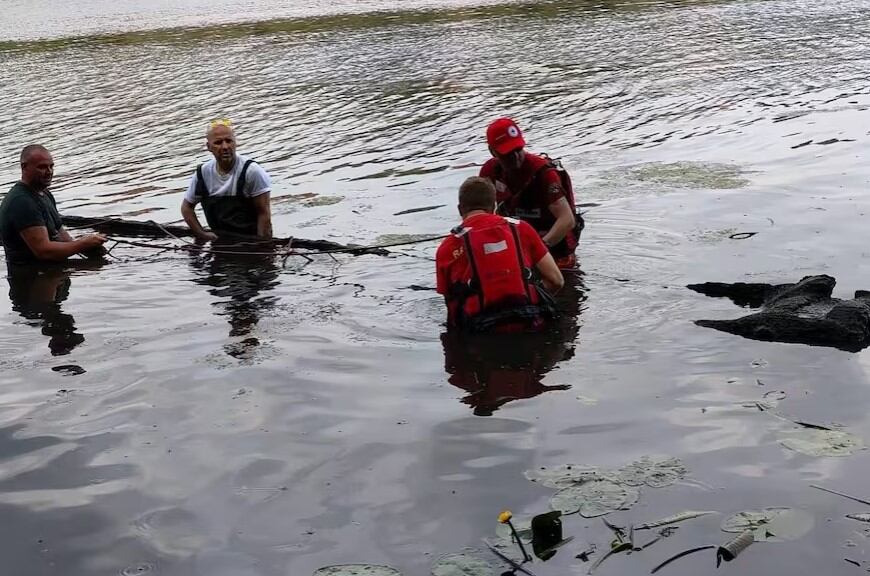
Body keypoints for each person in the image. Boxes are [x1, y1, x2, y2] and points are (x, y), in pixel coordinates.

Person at [436, 176, 564, 332]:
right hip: (528, 324)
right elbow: (556, 280)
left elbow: (451, 305)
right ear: (494, 206)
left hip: (479, 333)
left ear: (459, 209)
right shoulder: (521, 228)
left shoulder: (447, 246)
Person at [479, 118, 581, 268]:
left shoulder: (544, 174)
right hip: (519, 243)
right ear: (492, 151)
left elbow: (567, 220)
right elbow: (480, 213)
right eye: (507, 153)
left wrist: (538, 249)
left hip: (554, 246)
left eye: (518, 149)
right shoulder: (490, 172)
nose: (516, 157)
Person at [0, 145, 106, 265]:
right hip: (32, 276)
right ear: (24, 167)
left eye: (51, 166)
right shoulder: (21, 201)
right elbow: (44, 251)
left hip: (55, 271)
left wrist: (89, 247)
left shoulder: (44, 193)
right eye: (42, 167)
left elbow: (61, 234)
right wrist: (83, 244)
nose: (49, 172)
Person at [181, 119, 273, 241]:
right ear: (209, 147)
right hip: (220, 239)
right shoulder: (203, 173)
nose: (225, 147)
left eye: (229, 141)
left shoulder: (252, 172)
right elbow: (187, 207)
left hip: (251, 239)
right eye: (218, 143)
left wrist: (262, 246)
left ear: (235, 143)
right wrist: (201, 234)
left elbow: (264, 214)